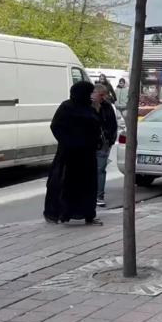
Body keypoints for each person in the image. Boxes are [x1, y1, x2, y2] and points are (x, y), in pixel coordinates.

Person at [44, 81, 103, 225]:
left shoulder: (89, 107)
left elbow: (96, 125)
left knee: (88, 186)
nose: (90, 96)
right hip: (69, 155)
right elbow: (56, 126)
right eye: (88, 93)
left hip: (87, 155)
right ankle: (60, 213)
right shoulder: (67, 107)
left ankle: (88, 213)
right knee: (64, 184)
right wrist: (69, 142)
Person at [93, 84, 118, 208]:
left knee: (100, 169)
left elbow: (113, 124)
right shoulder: (88, 106)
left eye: (104, 95)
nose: (103, 98)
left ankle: (99, 196)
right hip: (90, 142)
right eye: (101, 95)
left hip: (103, 143)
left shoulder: (107, 106)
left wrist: (110, 140)